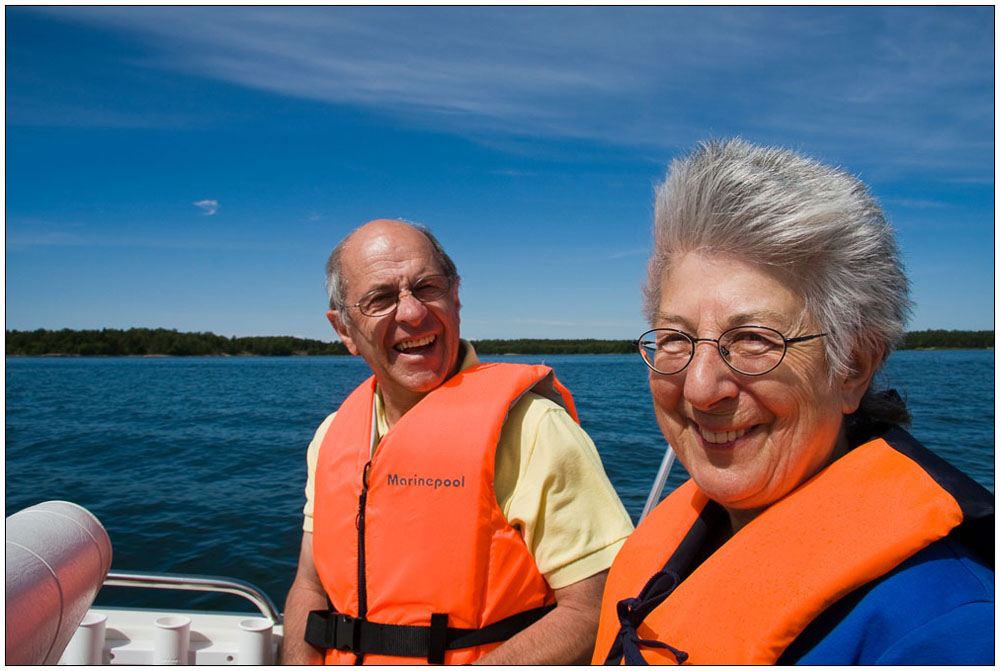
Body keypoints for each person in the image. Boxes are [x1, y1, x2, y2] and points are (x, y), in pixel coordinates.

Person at [592, 140, 994, 665]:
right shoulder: (684, 535)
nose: (699, 387)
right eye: (675, 338)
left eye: (755, 339)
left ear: (851, 368)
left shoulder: (950, 630)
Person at [281, 219, 633, 665]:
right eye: (381, 298)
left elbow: (599, 602)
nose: (411, 313)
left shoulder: (532, 429)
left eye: (427, 287)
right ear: (345, 330)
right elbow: (310, 585)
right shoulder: (332, 435)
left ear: (456, 296)